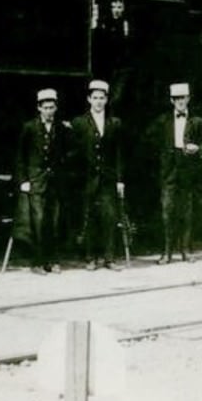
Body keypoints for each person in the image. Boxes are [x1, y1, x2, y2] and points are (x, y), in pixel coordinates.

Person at [70, 79, 124, 270]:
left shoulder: (114, 122)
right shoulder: (79, 123)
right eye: (95, 98)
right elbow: (73, 152)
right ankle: (90, 258)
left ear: (107, 100)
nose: (99, 102)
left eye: (102, 98)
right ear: (89, 99)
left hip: (108, 178)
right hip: (87, 178)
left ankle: (109, 258)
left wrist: (119, 179)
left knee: (109, 216)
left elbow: (118, 153)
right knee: (89, 216)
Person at [14, 88, 70, 273]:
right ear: (39, 108)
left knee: (54, 222)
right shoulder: (29, 127)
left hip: (55, 182)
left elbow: (66, 153)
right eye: (45, 108)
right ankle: (37, 262)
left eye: (52, 108)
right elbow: (20, 156)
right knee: (38, 221)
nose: (49, 111)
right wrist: (24, 180)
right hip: (36, 181)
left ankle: (52, 260)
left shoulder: (61, 128)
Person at [150, 82, 202, 264]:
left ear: (189, 99)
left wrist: (198, 148)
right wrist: (162, 154)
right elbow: (147, 139)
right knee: (167, 212)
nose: (181, 102)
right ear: (172, 101)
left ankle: (187, 251)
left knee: (187, 212)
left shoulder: (197, 121)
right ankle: (166, 252)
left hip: (188, 170)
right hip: (169, 171)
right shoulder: (163, 121)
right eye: (177, 99)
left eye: (184, 98)